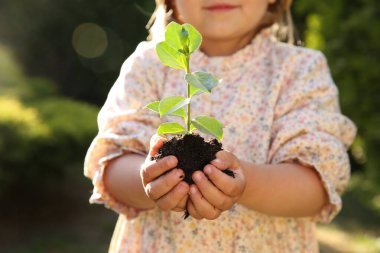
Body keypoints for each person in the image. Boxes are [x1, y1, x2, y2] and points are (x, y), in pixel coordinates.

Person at [84, 0, 357, 252]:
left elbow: (317, 186)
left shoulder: (300, 70)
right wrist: (153, 180)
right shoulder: (149, 65)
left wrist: (244, 183)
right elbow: (112, 163)